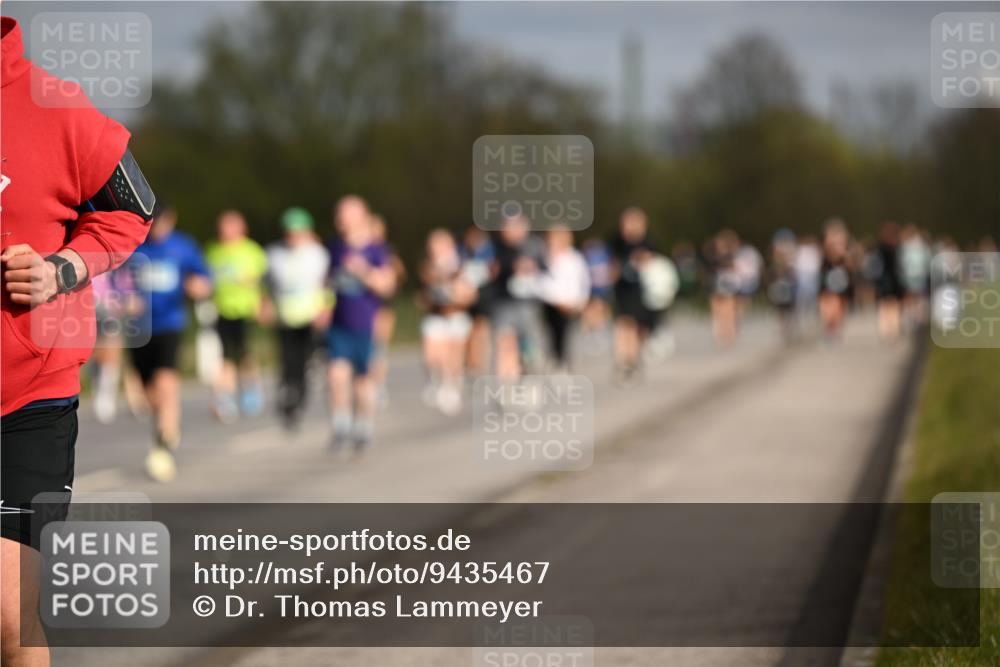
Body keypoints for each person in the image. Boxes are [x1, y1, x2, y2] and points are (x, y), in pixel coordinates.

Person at [0, 16, 153, 666]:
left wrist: (61, 268)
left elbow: (133, 207)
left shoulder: (53, 105)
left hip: (26, 399)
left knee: (6, 611)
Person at [128, 202, 212, 482]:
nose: (157, 228)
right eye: (152, 222)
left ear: (171, 220)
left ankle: (163, 445)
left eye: (162, 221)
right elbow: (113, 281)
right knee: (147, 390)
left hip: (170, 324)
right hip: (138, 328)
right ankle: (164, 423)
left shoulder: (184, 246)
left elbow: (204, 280)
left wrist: (198, 286)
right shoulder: (134, 245)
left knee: (166, 381)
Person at [326, 196, 397, 453]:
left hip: (365, 324)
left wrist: (363, 271)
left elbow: (388, 286)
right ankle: (340, 425)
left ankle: (363, 427)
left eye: (346, 213)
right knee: (335, 374)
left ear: (361, 217)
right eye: (339, 213)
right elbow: (327, 283)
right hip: (338, 323)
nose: (341, 219)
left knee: (363, 381)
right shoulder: (334, 248)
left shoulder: (376, 249)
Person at [263, 208, 330, 431]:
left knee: (304, 362)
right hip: (285, 317)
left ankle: (299, 398)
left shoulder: (318, 254)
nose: (293, 236)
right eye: (289, 232)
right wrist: (265, 305)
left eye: (297, 231)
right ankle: (289, 397)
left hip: (310, 317)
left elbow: (326, 284)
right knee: (287, 362)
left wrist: (325, 309)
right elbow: (266, 284)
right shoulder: (274, 254)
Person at [204, 210, 268, 422]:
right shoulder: (213, 251)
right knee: (226, 356)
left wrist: (262, 304)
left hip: (246, 310)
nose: (226, 231)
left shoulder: (252, 251)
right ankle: (225, 396)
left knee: (244, 354)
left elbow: (264, 281)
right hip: (222, 309)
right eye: (223, 226)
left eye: (231, 226)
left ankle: (251, 388)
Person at [418, 229, 477, 415]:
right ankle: (436, 378)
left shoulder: (461, 266)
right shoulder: (428, 267)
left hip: (456, 315)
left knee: (454, 355)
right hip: (435, 316)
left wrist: (458, 296)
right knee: (431, 353)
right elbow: (423, 293)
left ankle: (451, 386)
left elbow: (470, 293)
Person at [489, 214, 546, 385]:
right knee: (505, 344)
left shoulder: (535, 246)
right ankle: (506, 384)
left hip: (528, 305)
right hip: (503, 304)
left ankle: (527, 375)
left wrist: (532, 267)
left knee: (529, 347)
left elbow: (546, 269)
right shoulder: (495, 247)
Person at [610, 207, 659, 378]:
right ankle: (625, 360)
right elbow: (611, 265)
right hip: (623, 290)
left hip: (643, 291)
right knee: (625, 324)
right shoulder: (617, 242)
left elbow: (652, 264)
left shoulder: (647, 242)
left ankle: (636, 355)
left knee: (640, 327)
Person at [538, 224, 590, 371]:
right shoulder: (545, 257)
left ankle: (563, 361)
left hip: (570, 303)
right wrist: (555, 299)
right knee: (551, 332)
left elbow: (583, 280)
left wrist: (580, 301)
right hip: (551, 302)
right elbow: (542, 281)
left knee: (565, 333)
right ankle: (553, 358)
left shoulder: (575, 258)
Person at [367, 214, 405, 410]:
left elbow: (400, 273)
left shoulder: (386, 252)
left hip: (382, 306)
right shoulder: (358, 251)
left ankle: (378, 385)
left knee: (379, 348)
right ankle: (367, 383)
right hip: (364, 307)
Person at [460, 226, 495, 378]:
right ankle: (471, 361)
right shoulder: (463, 252)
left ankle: (480, 362)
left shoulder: (489, 251)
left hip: (484, 296)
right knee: (470, 330)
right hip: (467, 296)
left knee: (482, 329)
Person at [818, 218, 854, 341]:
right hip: (827, 282)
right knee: (827, 307)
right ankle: (829, 328)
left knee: (839, 307)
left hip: (841, 282)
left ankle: (835, 329)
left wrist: (843, 255)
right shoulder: (824, 249)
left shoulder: (846, 250)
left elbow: (850, 266)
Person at [704, 229, 742, 347]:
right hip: (716, 283)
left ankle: (729, 331)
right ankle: (720, 331)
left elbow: (734, 269)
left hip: (727, 283)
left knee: (728, 309)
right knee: (717, 309)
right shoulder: (712, 255)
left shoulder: (730, 255)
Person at [870, 222, 904, 342]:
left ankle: (889, 329)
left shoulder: (882, 249)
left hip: (888, 280)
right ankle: (889, 330)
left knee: (889, 305)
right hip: (888, 280)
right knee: (888, 305)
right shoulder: (895, 248)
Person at [580, 237, 614, 352]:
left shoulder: (605, 254)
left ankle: (599, 331)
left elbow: (610, 268)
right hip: (591, 286)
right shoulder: (587, 255)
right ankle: (590, 333)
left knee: (600, 308)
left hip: (602, 286)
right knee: (590, 309)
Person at [767, 229, 799, 343]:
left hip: (789, 284)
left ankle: (789, 325)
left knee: (790, 306)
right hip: (780, 285)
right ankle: (782, 325)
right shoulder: (777, 257)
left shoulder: (792, 256)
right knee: (779, 306)